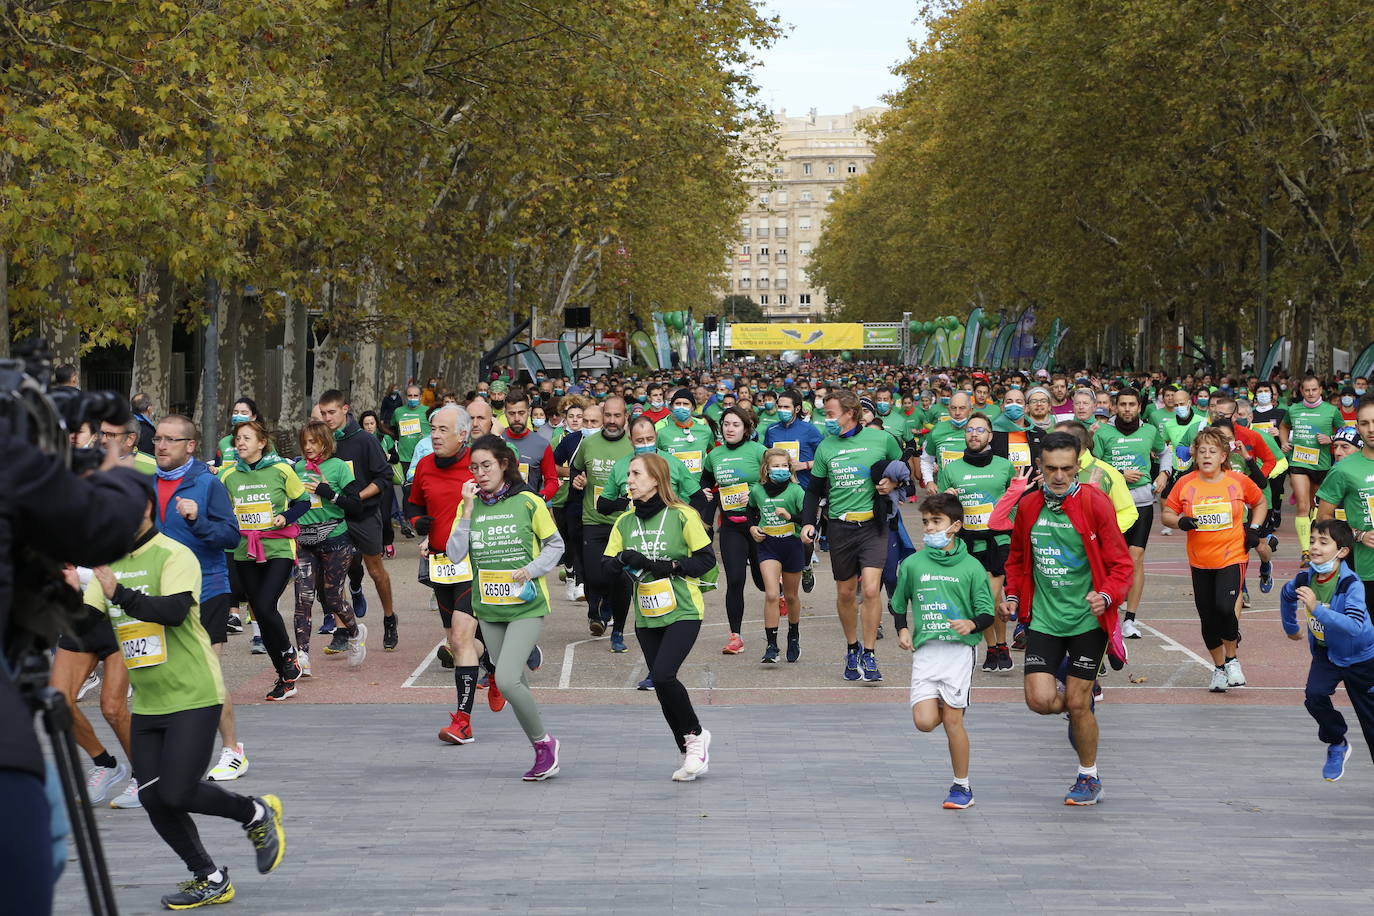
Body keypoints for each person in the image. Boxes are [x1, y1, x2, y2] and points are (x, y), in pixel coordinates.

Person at [76, 484, 286, 909]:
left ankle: (256, 813)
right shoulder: (106, 565)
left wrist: (119, 593)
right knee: (152, 795)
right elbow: (86, 624)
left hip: (194, 692)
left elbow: (172, 612)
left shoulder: (174, 554)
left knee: (176, 791)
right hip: (150, 701)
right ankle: (209, 877)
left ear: (145, 508)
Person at [1000, 431, 1133, 806]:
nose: (1059, 476)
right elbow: (1017, 559)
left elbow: (1121, 565)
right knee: (1039, 701)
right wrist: (1012, 596)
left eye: (1067, 469)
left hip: (1088, 621)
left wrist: (1106, 595)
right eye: (1051, 468)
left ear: (1078, 466)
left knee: (1076, 703)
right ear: (1039, 466)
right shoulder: (1028, 505)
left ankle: (1088, 777)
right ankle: (1080, 707)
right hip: (1043, 618)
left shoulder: (1095, 503)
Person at [447, 435, 563, 780]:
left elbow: (555, 545)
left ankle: (545, 745)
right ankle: (541, 747)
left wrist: (532, 569)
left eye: (487, 466)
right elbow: (455, 555)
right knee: (516, 682)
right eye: (474, 467)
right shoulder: (469, 504)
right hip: (490, 608)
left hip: (526, 604)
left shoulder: (528, 501)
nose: (480, 473)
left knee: (508, 681)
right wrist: (467, 511)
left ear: (504, 465)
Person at [150, 415, 252, 785]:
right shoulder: (146, 484)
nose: (161, 446)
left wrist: (197, 522)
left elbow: (230, 537)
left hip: (205, 589)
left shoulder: (207, 484)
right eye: (158, 439)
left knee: (207, 675)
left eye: (170, 440)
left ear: (190, 446)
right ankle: (160, 758)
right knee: (161, 672)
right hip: (159, 593)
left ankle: (232, 751)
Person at [604, 453, 717, 780]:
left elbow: (706, 560)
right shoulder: (624, 521)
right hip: (647, 614)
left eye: (636, 474)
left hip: (683, 607)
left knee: (665, 676)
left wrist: (666, 566)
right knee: (662, 687)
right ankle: (688, 751)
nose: (630, 480)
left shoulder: (682, 515)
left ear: (655, 478)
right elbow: (606, 568)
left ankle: (696, 737)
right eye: (628, 474)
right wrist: (621, 559)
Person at [891, 493, 996, 810]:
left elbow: (986, 612)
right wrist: (903, 628)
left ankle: (962, 787)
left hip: (958, 653)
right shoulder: (912, 563)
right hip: (926, 652)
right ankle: (949, 703)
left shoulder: (972, 566)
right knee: (923, 722)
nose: (929, 528)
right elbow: (899, 604)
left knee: (953, 721)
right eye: (925, 522)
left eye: (935, 522)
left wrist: (971, 624)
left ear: (955, 526)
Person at [407, 405, 502, 744]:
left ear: (463, 434)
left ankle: (462, 721)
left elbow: (504, 504)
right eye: (433, 428)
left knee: (461, 640)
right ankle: (495, 670)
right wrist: (418, 523)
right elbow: (413, 505)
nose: (435, 434)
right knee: (458, 641)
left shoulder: (478, 467)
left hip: (474, 565)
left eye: (443, 429)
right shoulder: (424, 466)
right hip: (439, 563)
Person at [800, 389, 903, 682]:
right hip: (839, 527)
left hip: (873, 525)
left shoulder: (881, 439)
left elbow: (901, 469)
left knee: (871, 590)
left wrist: (891, 483)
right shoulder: (825, 448)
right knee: (845, 593)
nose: (826, 419)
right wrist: (808, 523)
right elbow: (814, 490)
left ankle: (869, 653)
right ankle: (852, 647)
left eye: (830, 414)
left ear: (850, 414)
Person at [1163, 426, 1268, 692]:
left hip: (1231, 555)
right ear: (1195, 455)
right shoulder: (1186, 483)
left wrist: (1253, 529)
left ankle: (1232, 660)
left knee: (1225, 607)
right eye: (1202, 451)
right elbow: (1166, 514)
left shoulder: (1237, 481)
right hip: (1199, 560)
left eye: (1213, 451)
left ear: (1223, 456)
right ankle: (1219, 668)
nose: (1207, 456)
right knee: (1208, 618)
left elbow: (1260, 502)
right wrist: (1180, 521)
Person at [219, 420, 311, 701]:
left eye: (247, 438)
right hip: (244, 550)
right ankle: (285, 677)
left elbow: (303, 502)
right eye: (237, 439)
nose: (240, 443)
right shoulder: (228, 476)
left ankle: (288, 655)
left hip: (278, 548)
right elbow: (222, 511)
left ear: (262, 442)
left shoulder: (282, 469)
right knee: (261, 610)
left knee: (263, 604)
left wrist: (285, 517)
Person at [1280, 519, 1374, 780]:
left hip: (1362, 658)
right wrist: (1290, 627)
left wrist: (1317, 609)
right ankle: (1337, 742)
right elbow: (1286, 595)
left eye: (1323, 542)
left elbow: (1355, 626)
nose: (1315, 547)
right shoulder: (1304, 576)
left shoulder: (1350, 584)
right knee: (1314, 695)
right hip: (1327, 652)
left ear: (1342, 551)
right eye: (1312, 541)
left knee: (1371, 722)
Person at [318, 389, 399, 651]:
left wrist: (356, 497)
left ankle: (389, 618)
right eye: (323, 413)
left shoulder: (364, 440)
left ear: (345, 409)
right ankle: (342, 629)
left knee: (375, 571)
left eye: (332, 412)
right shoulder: (324, 441)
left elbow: (384, 477)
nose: (327, 418)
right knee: (334, 573)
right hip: (334, 516)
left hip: (363, 514)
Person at [936, 412, 1014, 671]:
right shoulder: (952, 469)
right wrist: (947, 499)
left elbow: (1014, 500)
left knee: (991, 596)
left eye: (980, 430)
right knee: (981, 600)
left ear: (990, 435)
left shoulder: (1004, 465)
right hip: (967, 541)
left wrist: (1010, 523)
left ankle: (999, 645)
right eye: (970, 430)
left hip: (998, 539)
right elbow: (943, 513)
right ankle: (994, 647)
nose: (974, 434)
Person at [292, 420, 367, 674]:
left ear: (325, 442)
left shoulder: (338, 468)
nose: (308, 447)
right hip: (304, 542)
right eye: (305, 442)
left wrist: (329, 493)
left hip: (335, 539)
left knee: (333, 597)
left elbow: (356, 505)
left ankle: (355, 633)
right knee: (303, 598)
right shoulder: (298, 468)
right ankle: (302, 656)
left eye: (313, 442)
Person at [1092, 388, 1164, 639]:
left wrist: (1164, 473)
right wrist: (1119, 476)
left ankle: (1130, 619)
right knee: (1109, 559)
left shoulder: (1150, 431)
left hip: (1143, 502)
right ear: (1114, 407)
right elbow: (1094, 468)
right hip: (1112, 504)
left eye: (1132, 404)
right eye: (1122, 404)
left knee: (1136, 558)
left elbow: (1165, 450)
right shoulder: (1103, 432)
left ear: (1139, 407)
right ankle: (1107, 613)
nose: (1127, 409)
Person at [700, 407, 767, 654]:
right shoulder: (714, 455)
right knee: (735, 580)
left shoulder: (759, 452)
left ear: (746, 428)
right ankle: (735, 636)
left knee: (762, 582)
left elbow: (776, 479)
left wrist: (758, 493)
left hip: (759, 525)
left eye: (735, 424)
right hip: (730, 526)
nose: (729, 429)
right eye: (726, 424)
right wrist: (705, 490)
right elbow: (705, 479)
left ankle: (779, 591)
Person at [571, 396, 634, 643]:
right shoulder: (588, 443)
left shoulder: (632, 447)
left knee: (620, 577)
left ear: (625, 418)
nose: (611, 421)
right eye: (607, 415)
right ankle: (597, 609)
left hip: (625, 522)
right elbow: (576, 468)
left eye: (617, 416)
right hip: (593, 519)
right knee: (594, 575)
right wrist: (578, 480)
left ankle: (610, 621)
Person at [748, 449, 806, 663]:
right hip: (768, 545)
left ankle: (793, 636)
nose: (781, 469)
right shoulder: (757, 490)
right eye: (776, 466)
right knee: (772, 594)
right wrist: (752, 527)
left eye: (784, 466)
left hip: (791, 544)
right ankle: (771, 645)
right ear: (766, 468)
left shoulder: (796, 491)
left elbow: (807, 517)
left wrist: (790, 516)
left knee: (790, 596)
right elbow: (750, 510)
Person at [764, 388, 824, 592]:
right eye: (779, 406)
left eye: (786, 407)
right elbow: (766, 458)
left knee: (805, 537)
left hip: (805, 490)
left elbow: (825, 458)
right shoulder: (772, 430)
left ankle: (806, 565)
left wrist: (805, 465)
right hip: (779, 491)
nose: (781, 410)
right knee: (781, 534)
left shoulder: (811, 431)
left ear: (797, 408)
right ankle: (780, 579)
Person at [1281, 375, 1342, 568]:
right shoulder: (1293, 409)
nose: (1310, 393)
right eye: (1306, 390)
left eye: (1314, 389)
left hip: (1322, 465)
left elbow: (1345, 432)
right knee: (1302, 505)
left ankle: (1316, 544)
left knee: (1318, 508)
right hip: (1299, 462)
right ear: (1301, 391)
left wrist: (1331, 439)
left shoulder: (1331, 410)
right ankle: (1306, 551)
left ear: (1320, 390)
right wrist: (1284, 442)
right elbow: (1283, 425)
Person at [1316, 396, 1374, 596]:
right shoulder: (1343, 469)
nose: (1371, 429)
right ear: (1358, 428)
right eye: (1365, 423)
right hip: (1367, 569)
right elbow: (1322, 518)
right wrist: (1359, 535)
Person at [500, 389, 560, 501]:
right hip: (499, 509)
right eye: (512, 413)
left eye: (521, 413)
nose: (517, 418)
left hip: (528, 510)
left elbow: (552, 480)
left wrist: (541, 497)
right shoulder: (497, 440)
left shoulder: (542, 444)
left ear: (529, 411)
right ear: (505, 412)